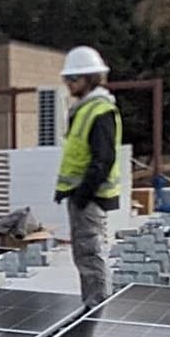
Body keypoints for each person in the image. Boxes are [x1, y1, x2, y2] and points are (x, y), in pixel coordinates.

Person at [54, 45, 122, 308]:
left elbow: (103, 159)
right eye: (67, 79)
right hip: (83, 196)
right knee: (84, 254)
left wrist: (82, 195)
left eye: (73, 79)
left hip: (90, 198)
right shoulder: (86, 109)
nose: (69, 84)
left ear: (89, 78)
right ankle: (92, 303)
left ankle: (96, 306)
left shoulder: (100, 111)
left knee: (90, 254)